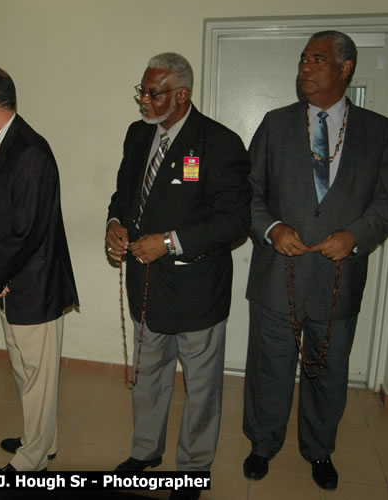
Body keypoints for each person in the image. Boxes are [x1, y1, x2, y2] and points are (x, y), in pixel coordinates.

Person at [243, 31, 388, 490]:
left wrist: (355, 236)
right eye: (303, 59)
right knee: (269, 366)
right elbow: (248, 192)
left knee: (328, 370)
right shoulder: (275, 124)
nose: (306, 67)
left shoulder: (377, 131)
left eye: (318, 59)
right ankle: (262, 444)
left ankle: (319, 451)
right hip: (279, 276)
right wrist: (273, 229)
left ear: (345, 68)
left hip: (338, 275)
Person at [105, 52, 251, 500]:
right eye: (142, 92)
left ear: (182, 95)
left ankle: (193, 469)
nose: (144, 101)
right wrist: (114, 224)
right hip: (146, 285)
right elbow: (124, 194)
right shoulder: (137, 135)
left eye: (154, 93)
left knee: (201, 388)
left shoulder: (219, 143)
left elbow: (234, 222)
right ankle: (146, 452)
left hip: (196, 289)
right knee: (149, 376)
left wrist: (169, 242)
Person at [0, 66, 78, 472]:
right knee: (29, 374)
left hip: (33, 285)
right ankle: (39, 441)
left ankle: (31, 461)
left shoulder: (28, 151)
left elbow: (25, 232)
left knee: (37, 378)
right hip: (12, 282)